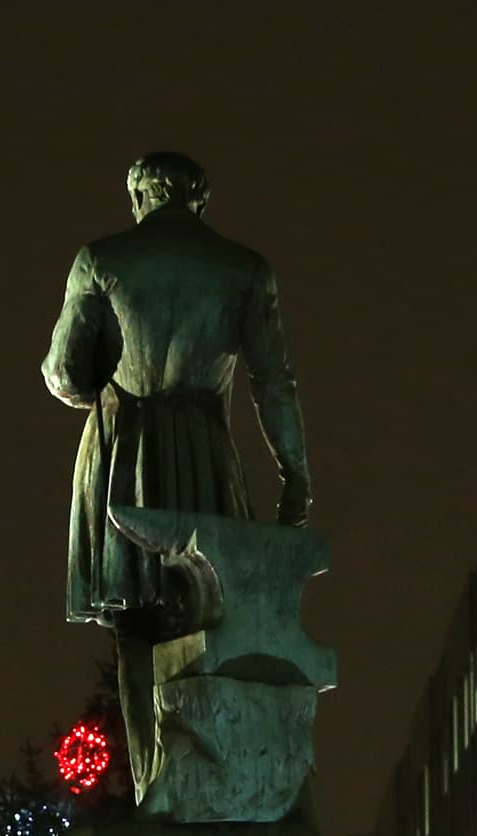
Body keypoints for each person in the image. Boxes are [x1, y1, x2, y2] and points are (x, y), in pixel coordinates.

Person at [44, 150, 311, 634]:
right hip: (203, 454)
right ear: (199, 201)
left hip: (121, 448)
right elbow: (273, 381)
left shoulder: (98, 261)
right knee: (210, 611)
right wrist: (295, 477)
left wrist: (98, 387)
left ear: (138, 196)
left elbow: (64, 373)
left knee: (132, 624)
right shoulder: (246, 269)